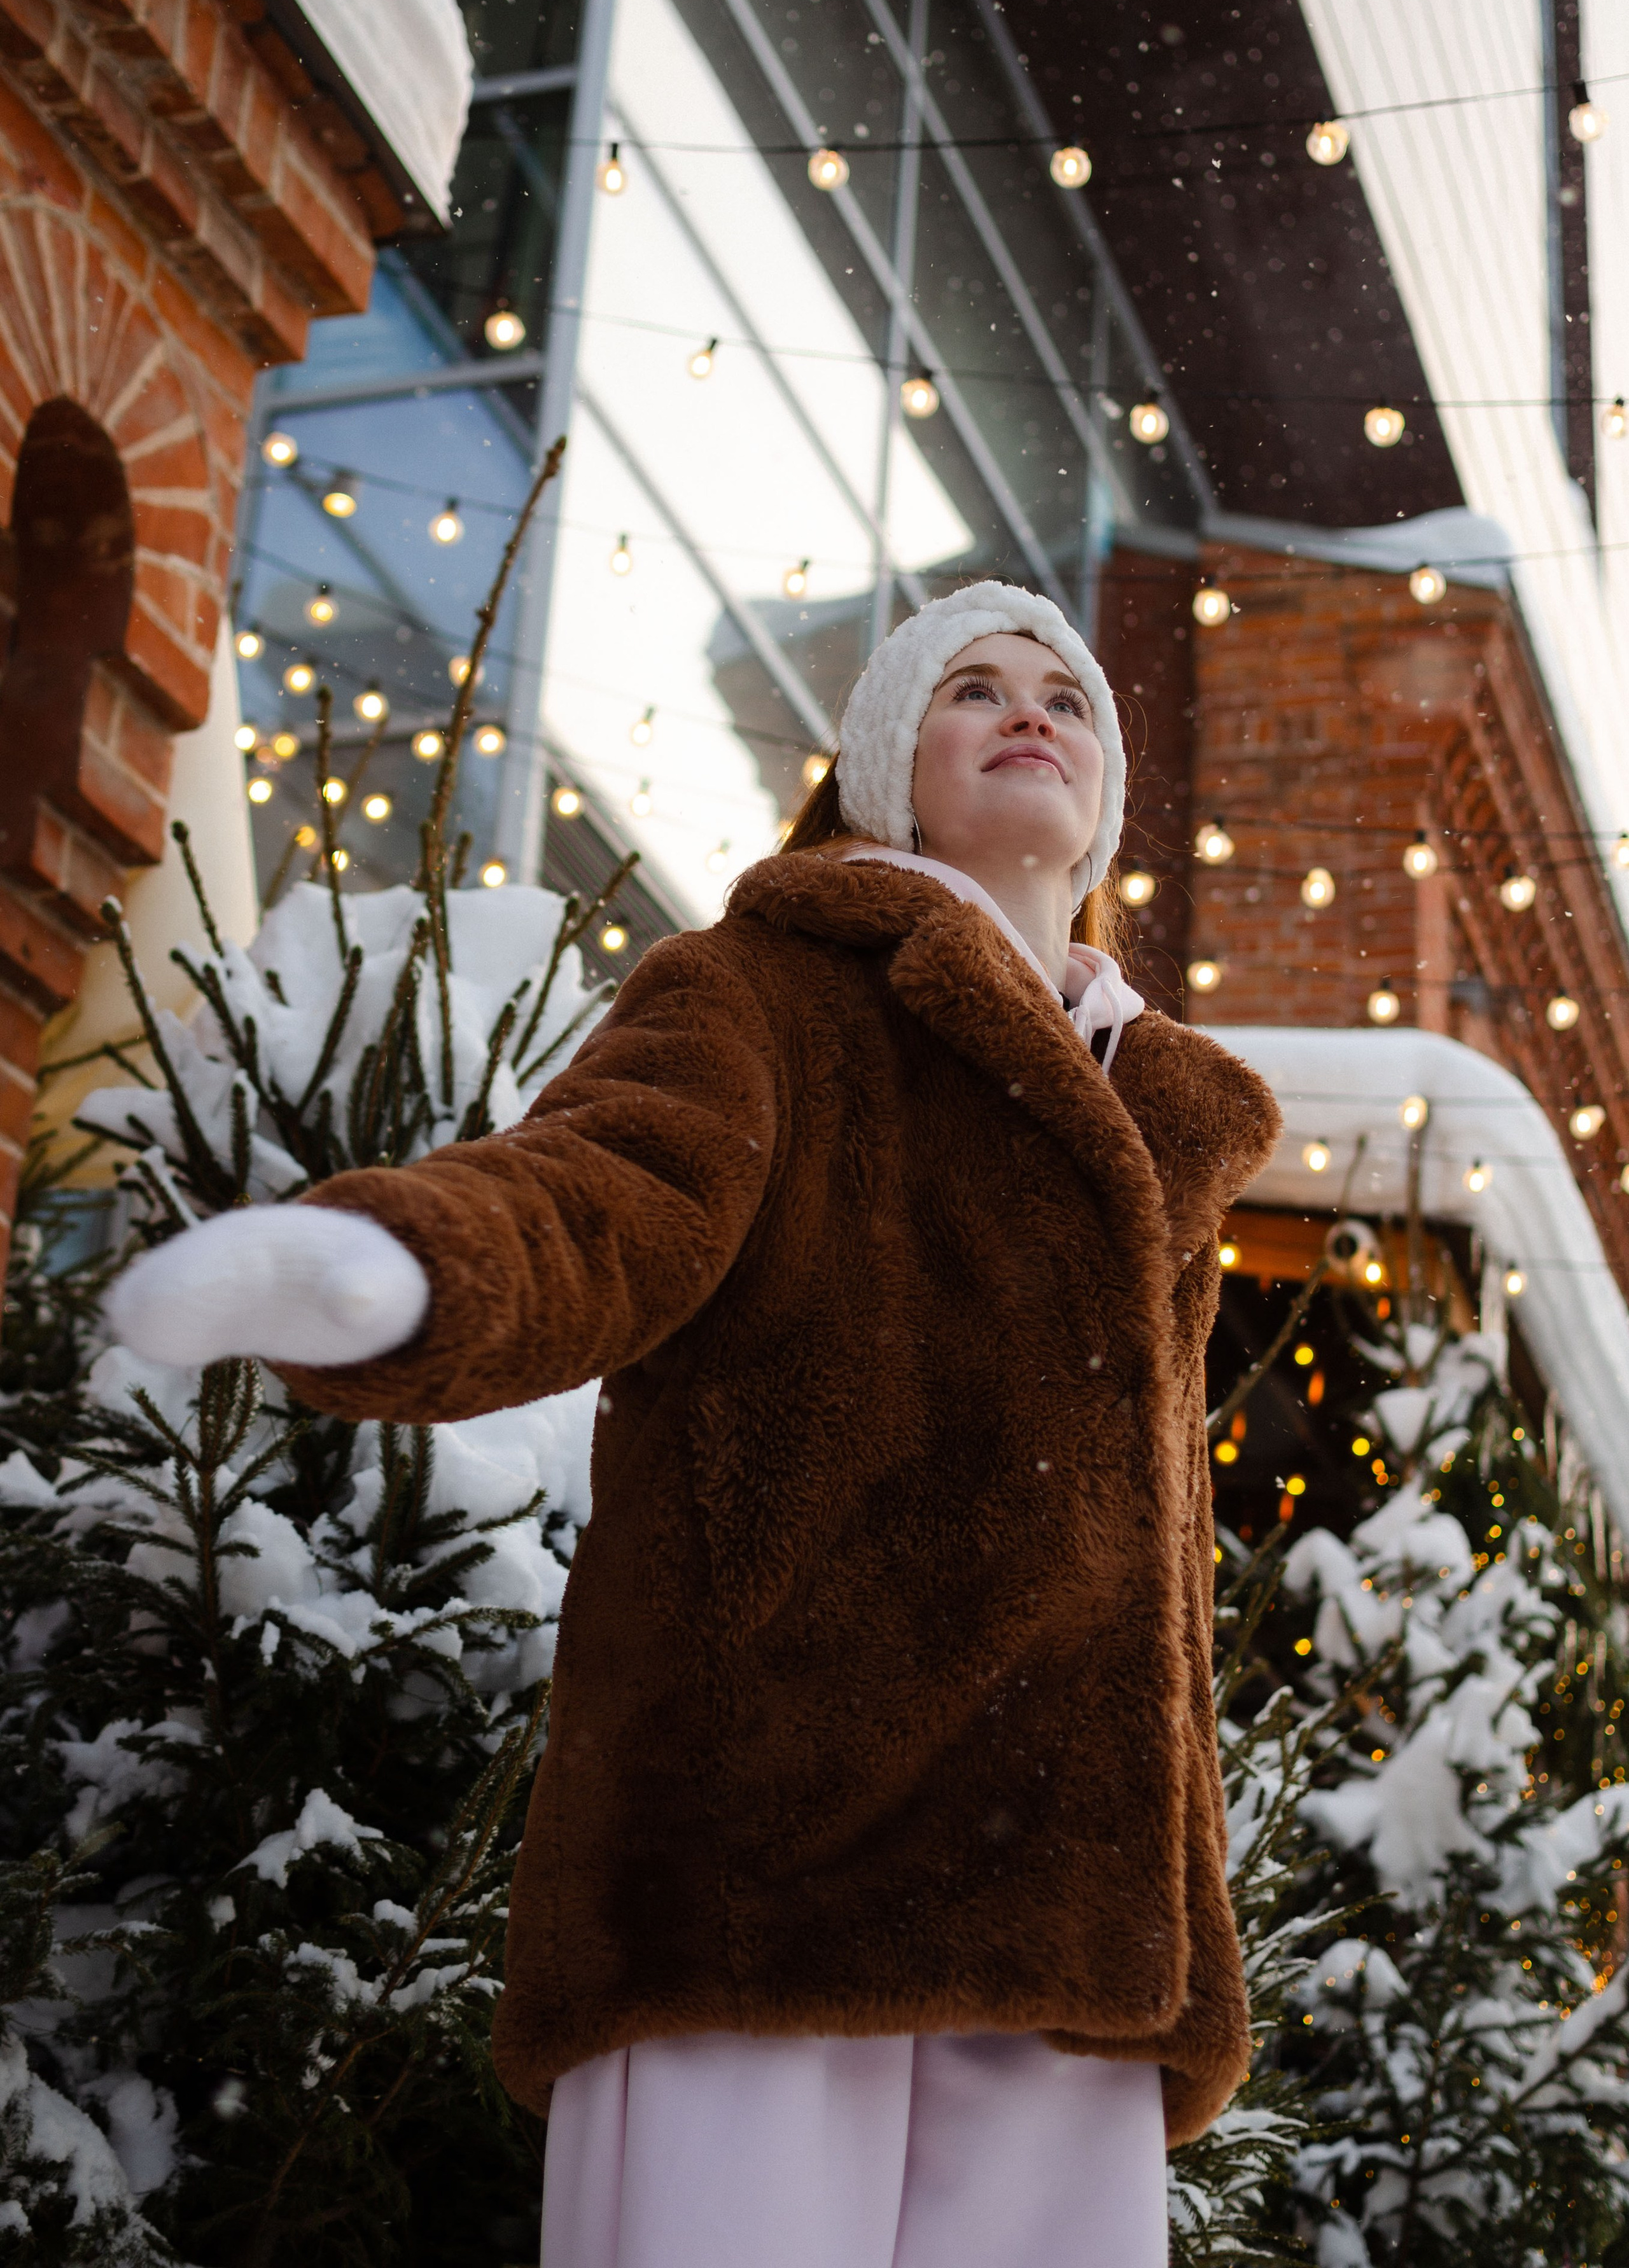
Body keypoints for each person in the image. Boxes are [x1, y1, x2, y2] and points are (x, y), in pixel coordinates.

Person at [111, 580, 1281, 2268]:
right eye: (972, 687)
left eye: (1069, 698)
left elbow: (1158, 1579)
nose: (1032, 709)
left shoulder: (1155, 1113)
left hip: (1077, 1923)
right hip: (768, 1863)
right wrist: (397, 1266)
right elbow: (599, 1197)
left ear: (1105, 799)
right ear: (889, 770)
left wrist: (1182, 1907)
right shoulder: (768, 998)